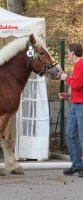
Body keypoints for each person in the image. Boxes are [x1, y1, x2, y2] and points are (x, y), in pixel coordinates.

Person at [59, 43, 83, 177]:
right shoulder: (77, 65)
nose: (67, 54)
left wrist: (65, 78)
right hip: (76, 104)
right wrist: (68, 95)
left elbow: (77, 84)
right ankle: (78, 165)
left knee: (81, 138)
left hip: (81, 106)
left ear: (73, 53)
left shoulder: (81, 65)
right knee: (69, 134)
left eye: (68, 52)